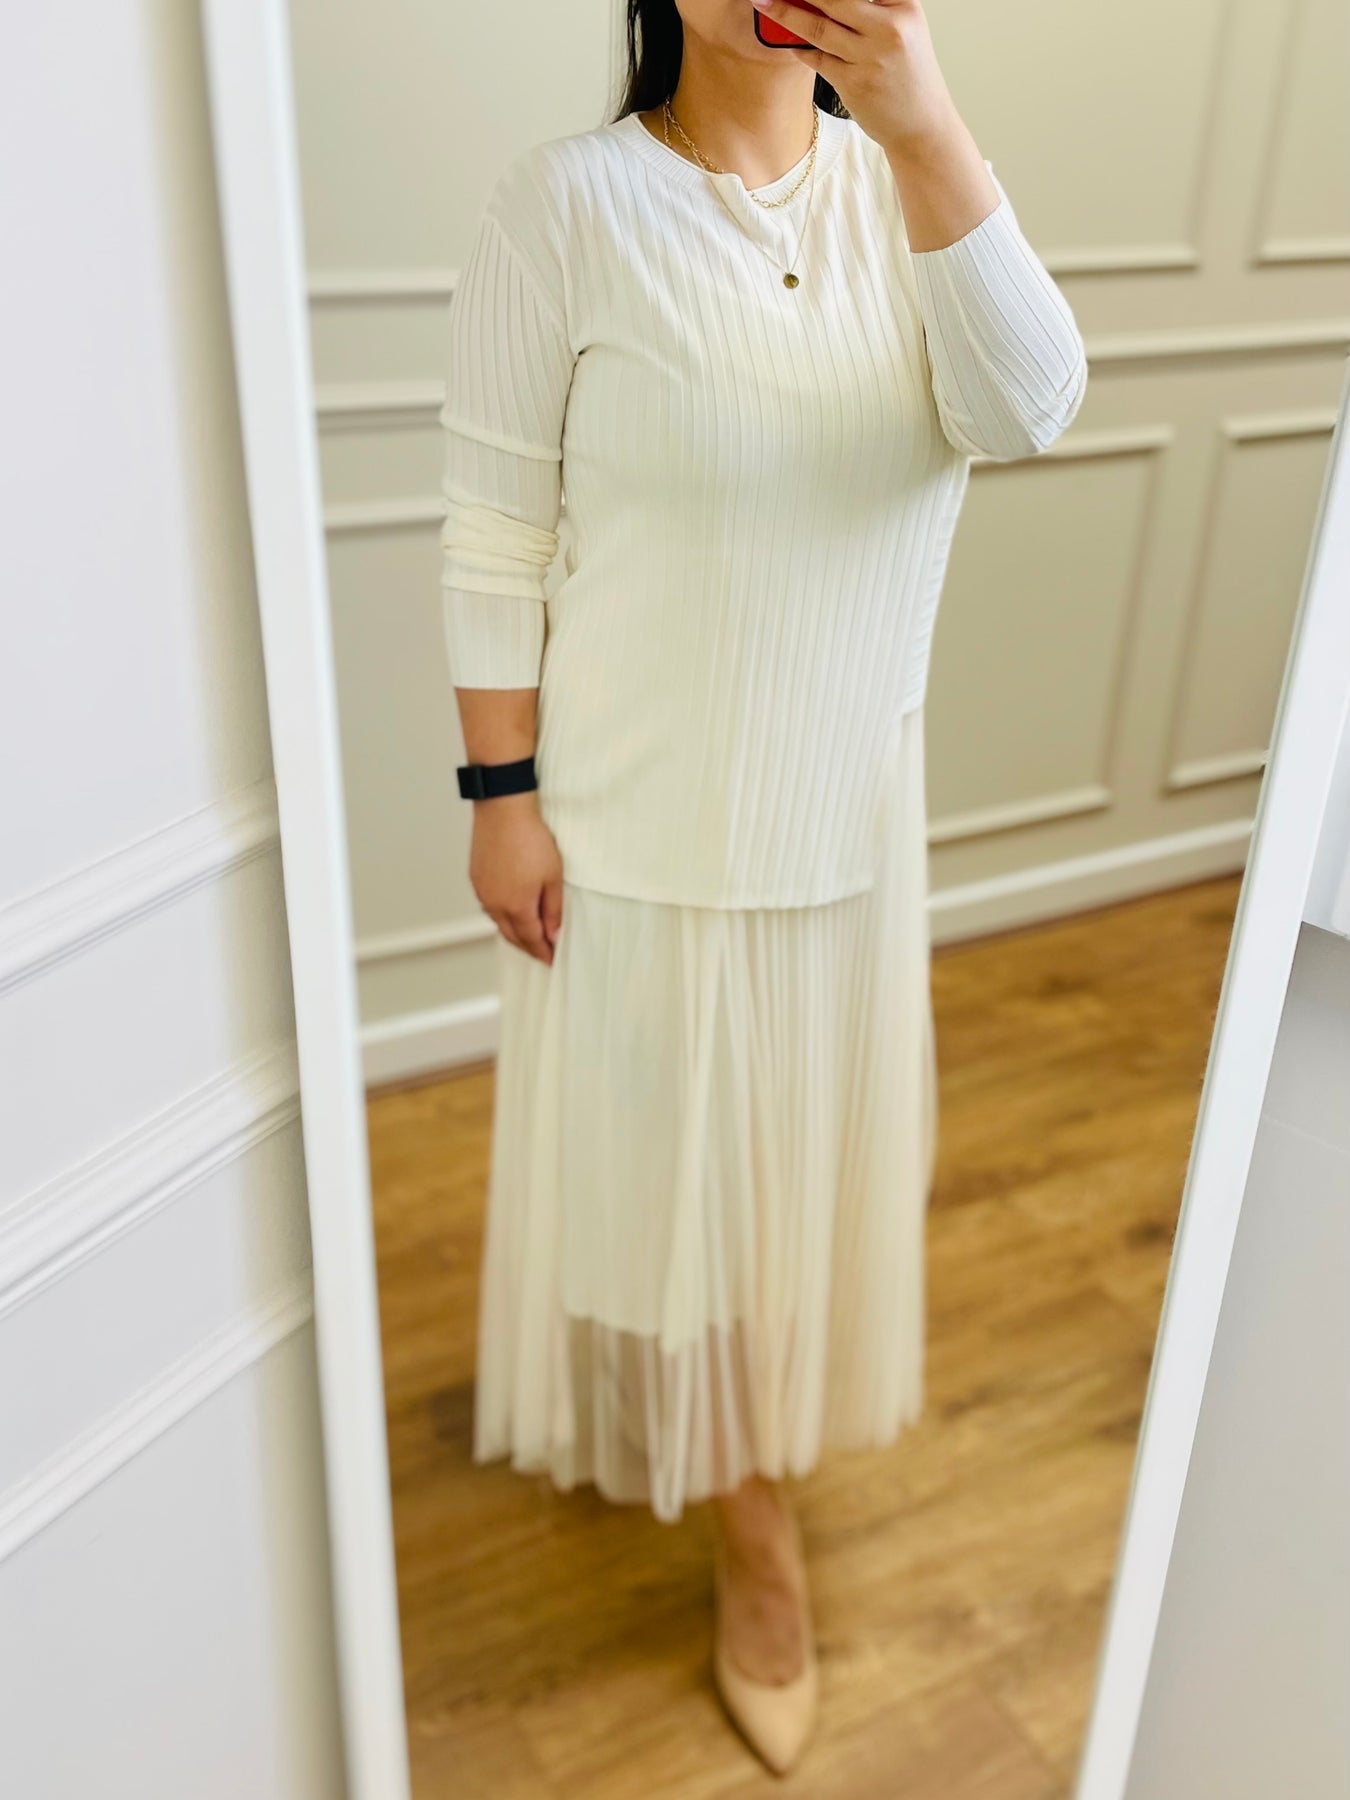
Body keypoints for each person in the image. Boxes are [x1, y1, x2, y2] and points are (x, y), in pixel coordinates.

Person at [438, 0, 1087, 1773]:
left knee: (788, 1192)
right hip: (632, 825)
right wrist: (500, 797)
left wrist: (923, 118)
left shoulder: (911, 197)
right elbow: (495, 529)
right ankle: (751, 1534)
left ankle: (742, 1458)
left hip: (843, 820)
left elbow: (1027, 405)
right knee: (674, 1195)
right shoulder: (563, 205)